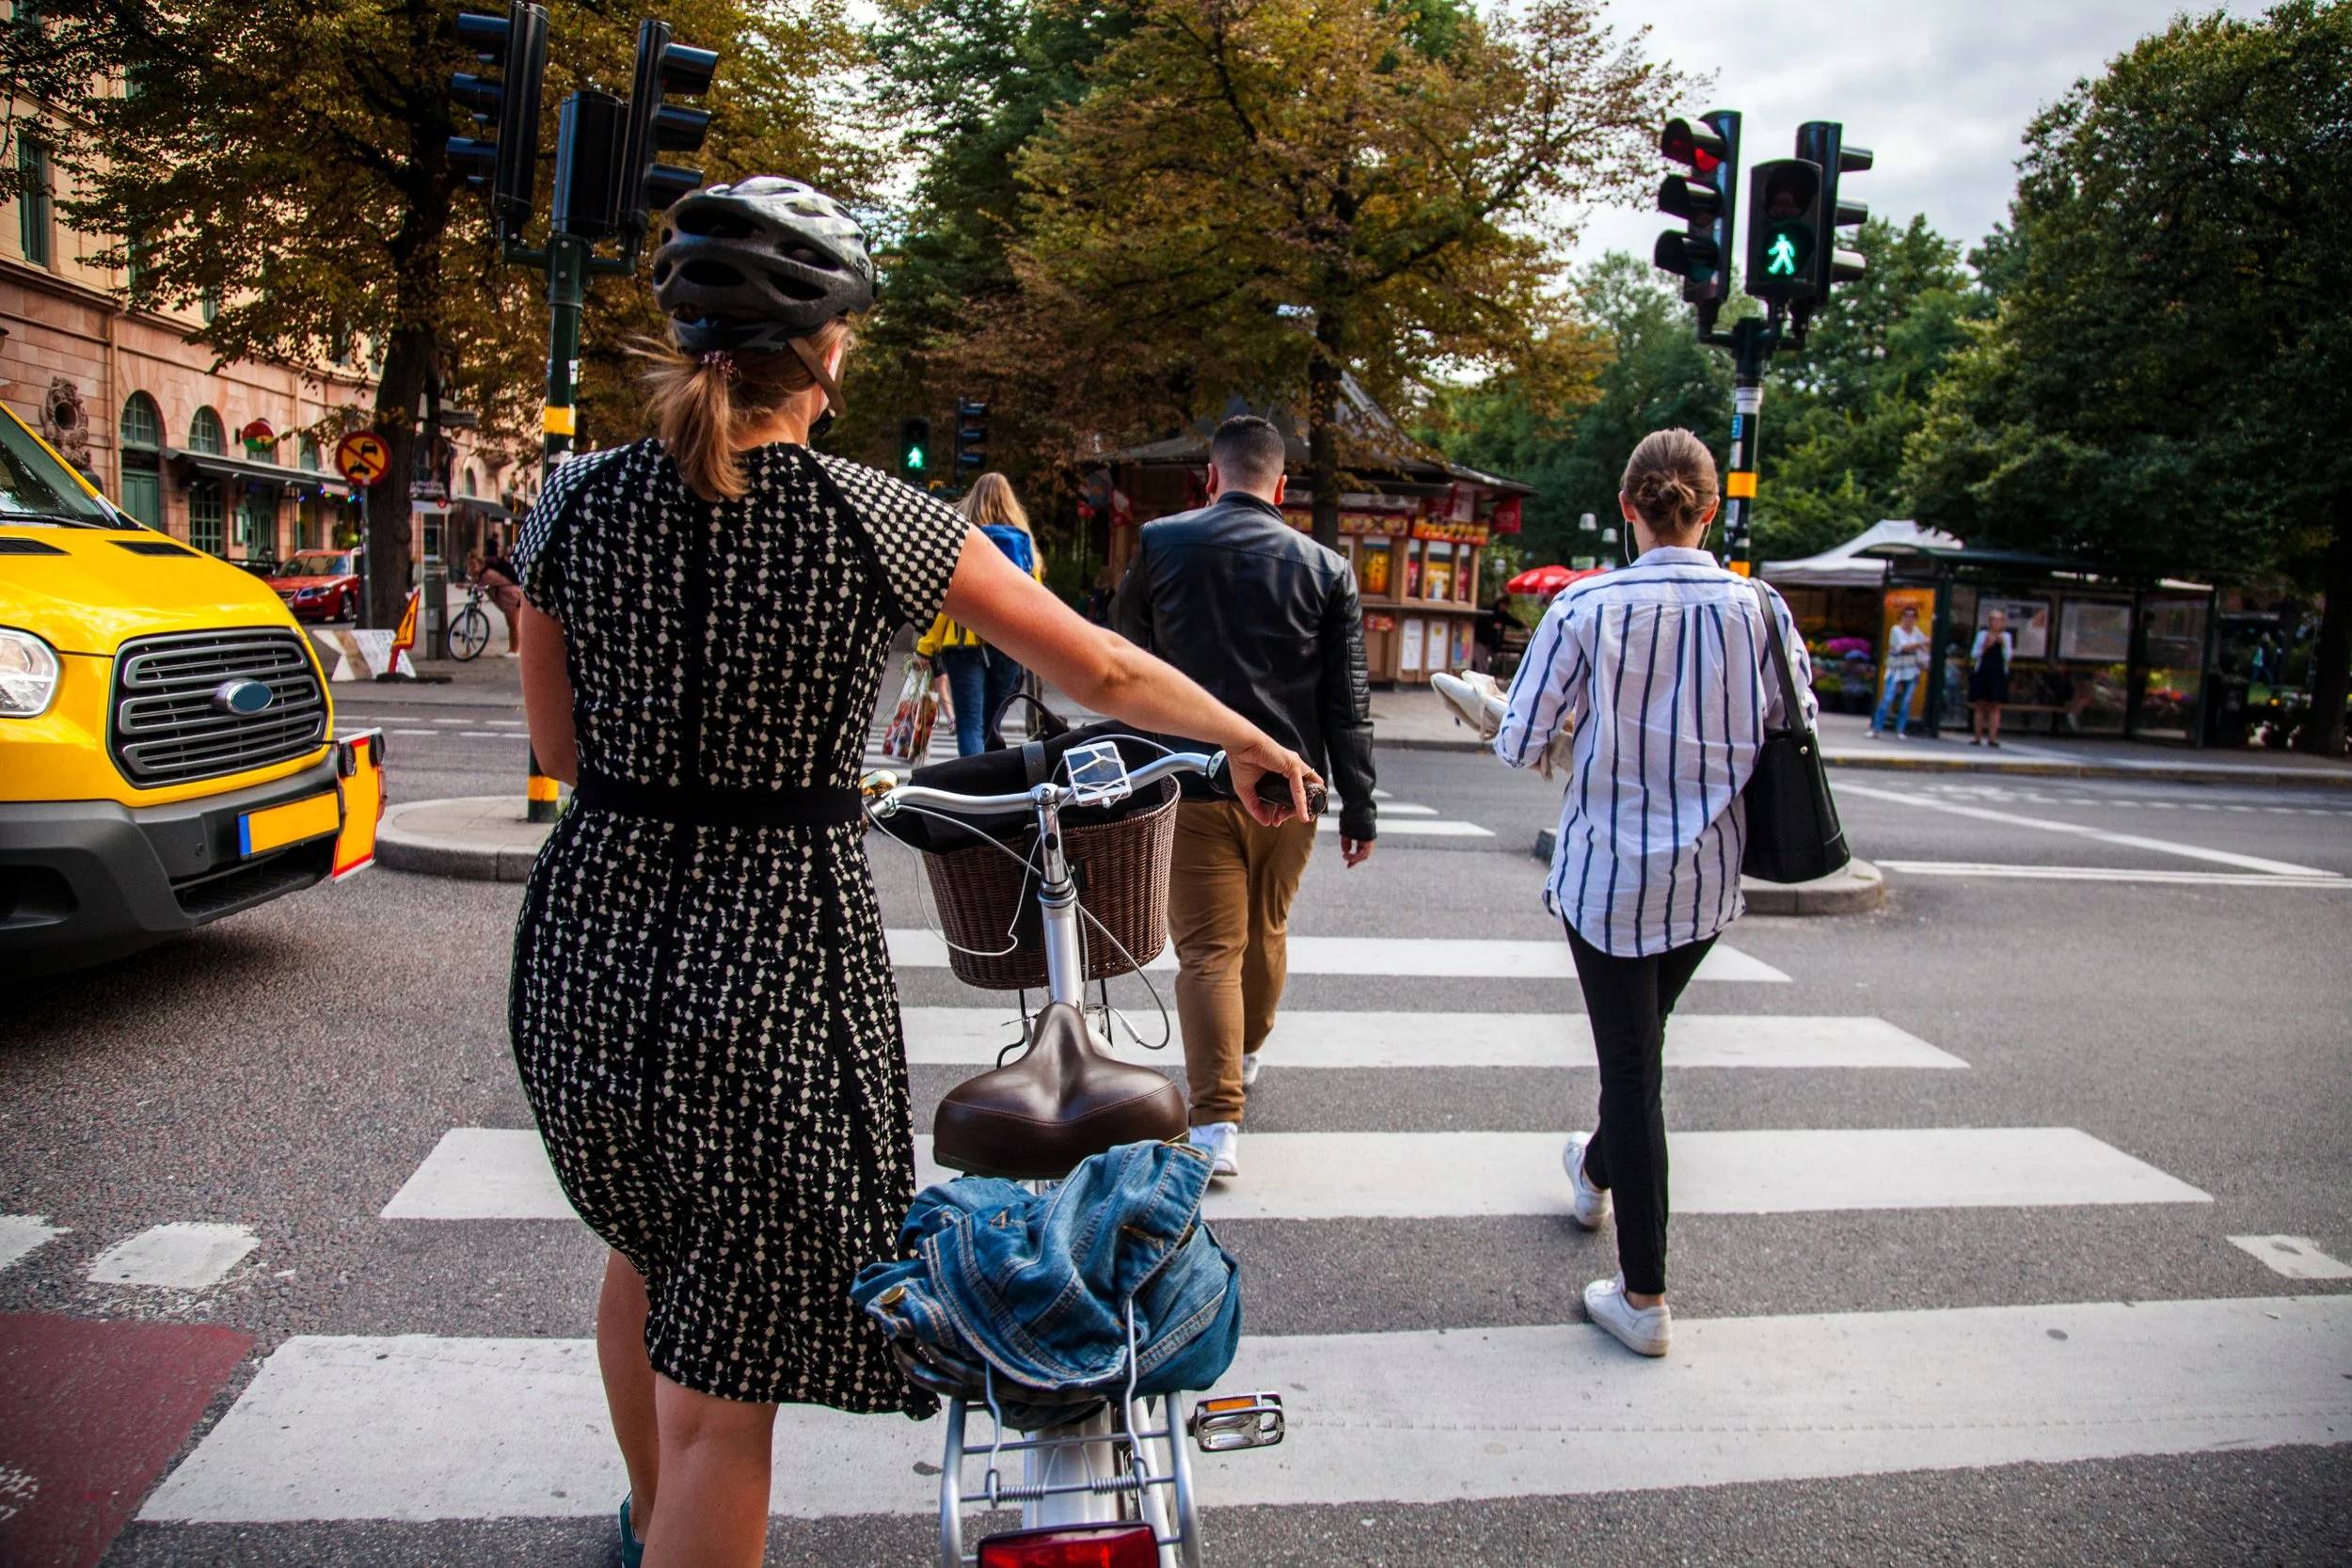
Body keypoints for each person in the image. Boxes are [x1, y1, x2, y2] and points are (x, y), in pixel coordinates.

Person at [507, 177, 1316, 1568]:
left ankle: (645, 1524)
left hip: (585, 949)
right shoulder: (881, 519)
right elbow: (1102, 668)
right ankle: (671, 1523)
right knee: (723, 1394)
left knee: (642, 1243)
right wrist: (1249, 735)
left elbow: (558, 744)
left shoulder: (571, 503)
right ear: (827, 352)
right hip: (767, 970)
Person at [1494, 428, 1813, 1360]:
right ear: (1708, 512)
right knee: (1640, 1046)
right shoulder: (1758, 607)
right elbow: (1797, 721)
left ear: (1628, 506)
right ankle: (1593, 1165)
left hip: (1607, 877)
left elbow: (1519, 743)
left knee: (1633, 1069)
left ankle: (1644, 1295)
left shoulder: (1586, 606)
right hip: (1707, 878)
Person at [1112, 414, 1376, 1179]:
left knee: (1206, 952)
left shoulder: (1161, 544)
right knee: (1267, 926)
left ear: (1211, 475)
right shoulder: (1327, 568)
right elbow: (1346, 702)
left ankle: (1217, 1120)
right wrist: (1359, 805)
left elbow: (1126, 661)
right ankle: (1246, 1051)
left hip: (1192, 777)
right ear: (1282, 486)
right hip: (1294, 784)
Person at [916, 472, 1040, 754]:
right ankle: (991, 789)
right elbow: (1035, 599)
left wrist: (926, 648)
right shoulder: (1022, 543)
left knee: (970, 725)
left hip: (963, 645)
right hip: (1007, 646)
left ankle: (973, 787)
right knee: (990, 726)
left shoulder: (962, 539)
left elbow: (946, 598)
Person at [1870, 603, 1929, 739]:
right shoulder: (1895, 630)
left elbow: (1924, 649)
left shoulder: (1917, 632)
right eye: (1906, 616)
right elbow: (1902, 647)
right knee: (1887, 698)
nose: (1908, 619)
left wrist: (1923, 649)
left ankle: (1900, 729)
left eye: (1912, 616)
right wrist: (1921, 643)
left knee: (1906, 701)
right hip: (1896, 669)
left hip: (1911, 670)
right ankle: (1876, 728)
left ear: (1915, 619)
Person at [1970, 609, 2013, 747]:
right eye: (1993, 619)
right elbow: (1974, 654)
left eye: (1999, 620)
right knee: (1980, 704)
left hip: (1998, 673)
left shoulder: (2006, 636)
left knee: (1995, 706)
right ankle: (1977, 736)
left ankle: (1992, 737)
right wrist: (1985, 646)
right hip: (1983, 671)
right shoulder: (1982, 635)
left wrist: (2003, 644)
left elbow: (2009, 656)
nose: (1996, 623)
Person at [474, 545, 524, 657]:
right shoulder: (486, 572)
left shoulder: (488, 574)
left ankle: (515, 650)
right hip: (510, 597)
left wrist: (465, 586)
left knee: (513, 624)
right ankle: (514, 649)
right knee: (512, 624)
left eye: (473, 564)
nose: (471, 567)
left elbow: (480, 586)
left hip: (513, 597)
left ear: (479, 563)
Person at [1473, 591, 1511, 674]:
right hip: (1481, 639)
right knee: (1481, 660)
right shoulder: (1488, 609)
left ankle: (1486, 675)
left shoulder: (1503, 614)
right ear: (1500, 603)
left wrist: (1522, 625)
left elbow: (1511, 621)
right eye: (1504, 605)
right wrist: (1492, 625)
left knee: (1489, 661)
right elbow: (1480, 620)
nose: (1505, 608)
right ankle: (1481, 676)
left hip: (1491, 642)